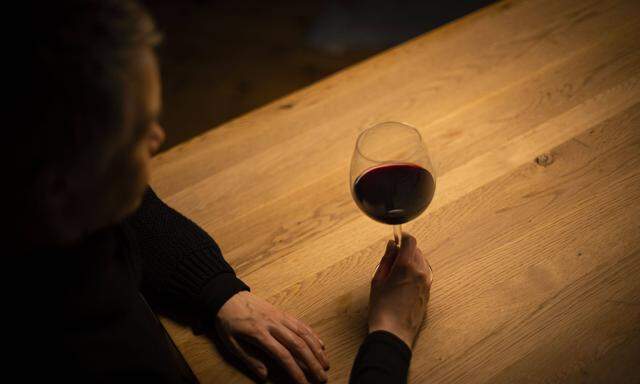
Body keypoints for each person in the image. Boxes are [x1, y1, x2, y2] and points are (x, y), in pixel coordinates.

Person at [18, 1, 432, 383]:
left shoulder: (53, 206)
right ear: (58, 191)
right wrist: (390, 337)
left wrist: (217, 291)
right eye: (139, 131)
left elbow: (131, 208)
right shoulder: (91, 355)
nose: (159, 137)